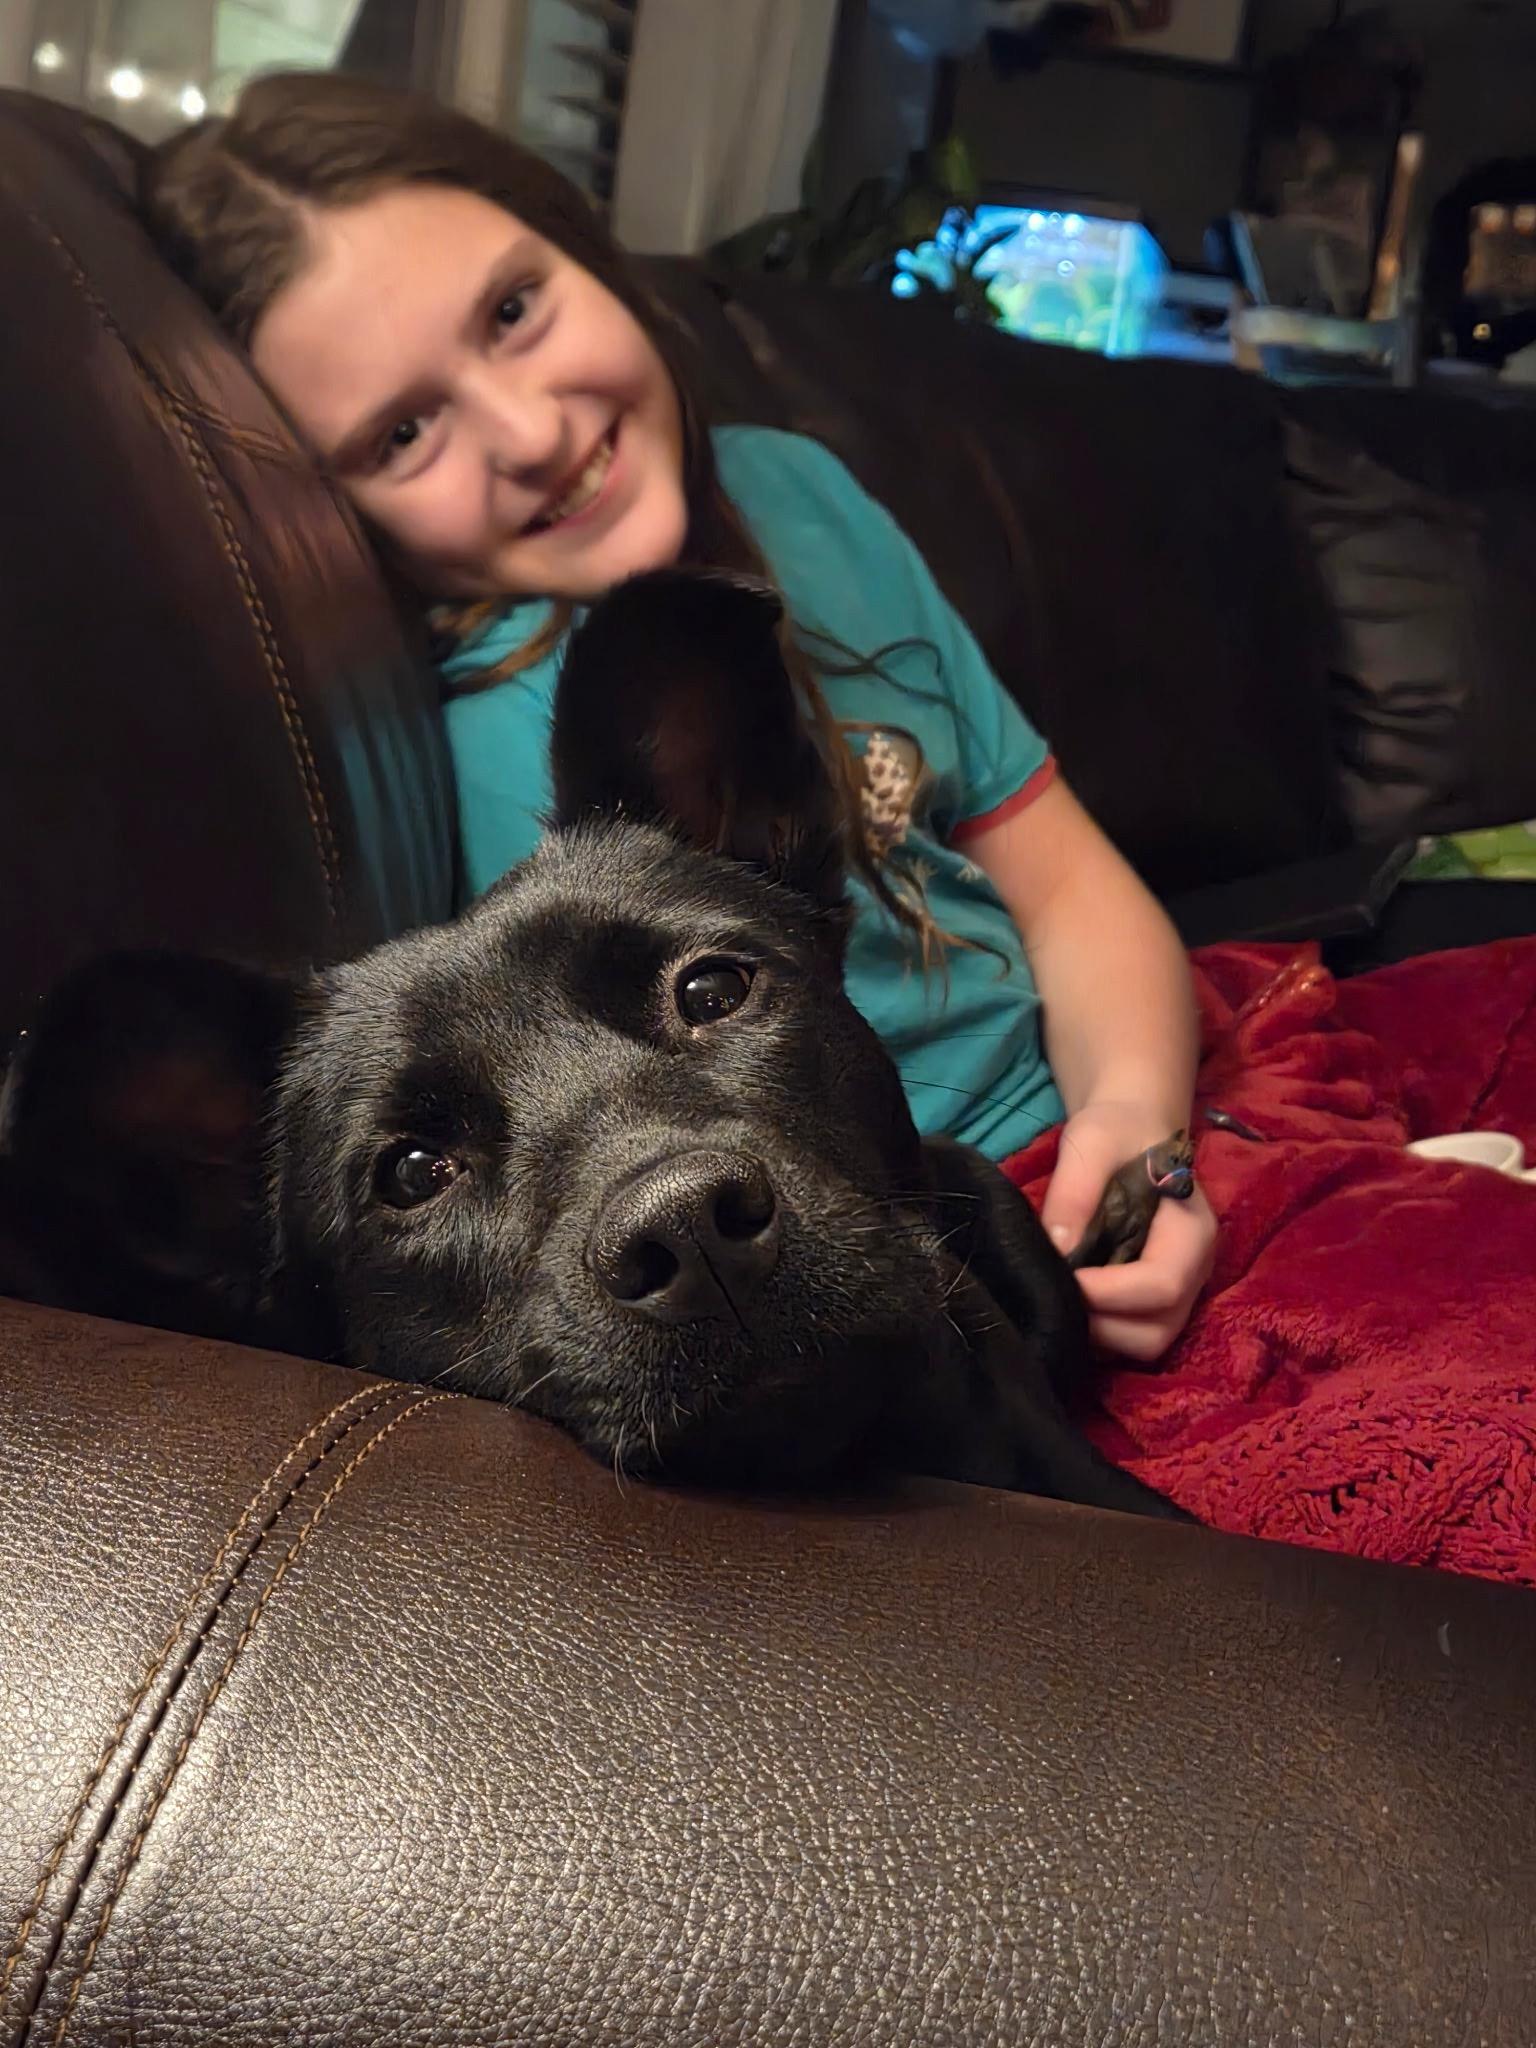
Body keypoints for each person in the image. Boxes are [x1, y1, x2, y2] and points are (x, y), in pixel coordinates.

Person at [144, 70, 1215, 1361]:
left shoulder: (802, 491)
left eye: (515, 308)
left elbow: (1067, 890)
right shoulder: (481, 756)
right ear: (340, 516)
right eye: (405, 432)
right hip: (878, 1246)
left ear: (592, 254)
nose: (532, 431)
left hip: (1118, 1130)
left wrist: (1140, 1131)